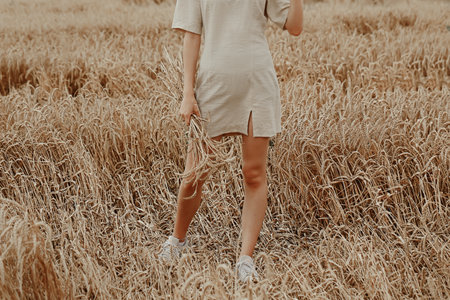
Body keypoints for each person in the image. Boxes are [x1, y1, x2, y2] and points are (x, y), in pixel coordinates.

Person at [158, 0, 303, 283]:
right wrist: (188, 93)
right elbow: (191, 35)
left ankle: (245, 260)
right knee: (195, 172)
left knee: (254, 174)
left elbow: (294, 27)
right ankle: (177, 240)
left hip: (257, 84)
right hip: (213, 85)